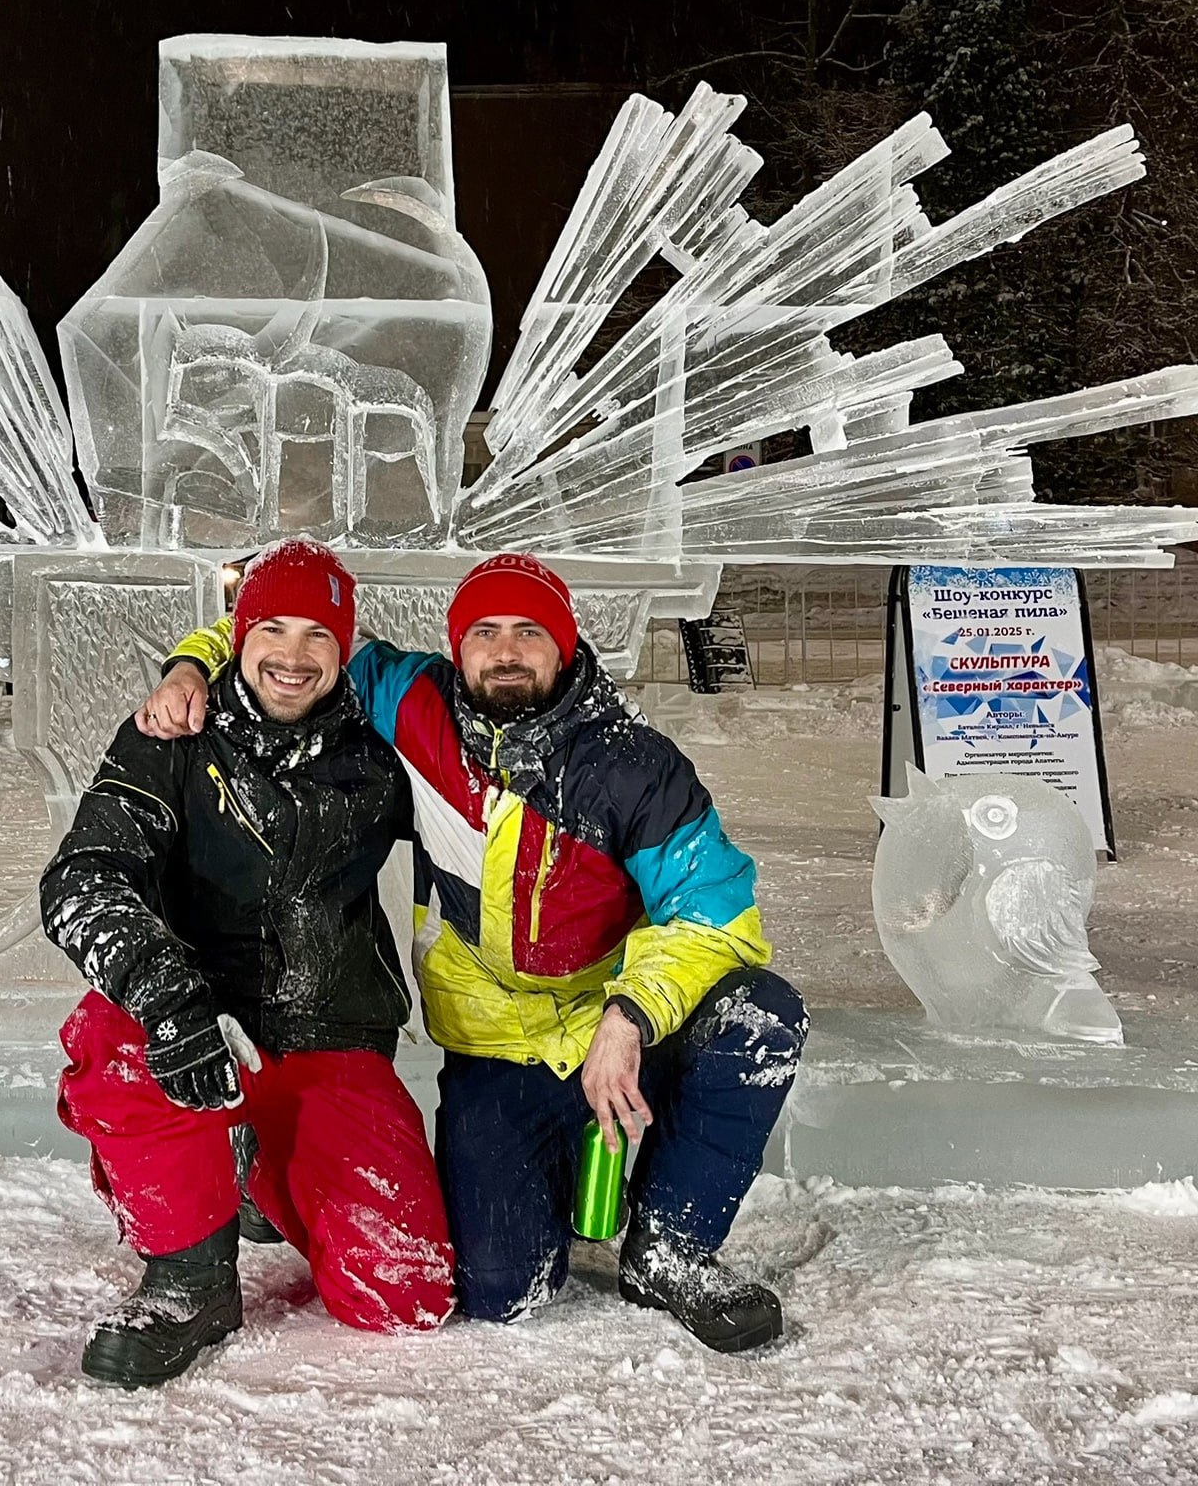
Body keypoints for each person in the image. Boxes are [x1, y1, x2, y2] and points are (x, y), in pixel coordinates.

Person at [138, 551, 806, 1353]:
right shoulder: (414, 703)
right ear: (458, 646)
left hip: (616, 1029)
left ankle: (672, 1243)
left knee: (760, 1015)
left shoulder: (633, 765)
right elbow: (292, 638)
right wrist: (191, 662)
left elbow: (716, 912)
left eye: (530, 632)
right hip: (497, 1040)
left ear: (565, 647)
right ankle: (568, 1162)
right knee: (502, 1291)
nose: (506, 651)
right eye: (484, 632)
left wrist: (630, 1017)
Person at [41, 538, 453, 1388]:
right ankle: (189, 1280)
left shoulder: (382, 751)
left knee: (403, 1293)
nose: (293, 657)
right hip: (195, 1022)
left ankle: (260, 1169)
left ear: (345, 648)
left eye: (318, 636)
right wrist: (168, 997)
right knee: (114, 1039)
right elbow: (83, 876)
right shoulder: (173, 731)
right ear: (238, 633)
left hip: (328, 1027)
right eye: (273, 629)